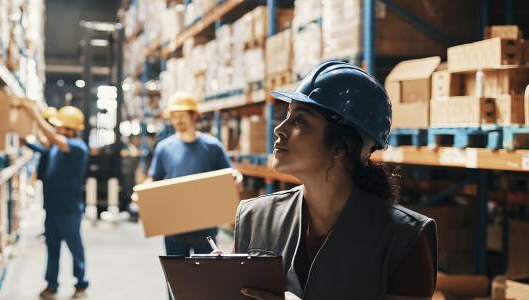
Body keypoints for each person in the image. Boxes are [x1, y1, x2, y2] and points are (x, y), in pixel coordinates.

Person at [225, 61, 437, 300]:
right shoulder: (255, 218)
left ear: (342, 145)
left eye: (299, 120)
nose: (279, 129)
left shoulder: (403, 239)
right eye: (287, 116)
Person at [144, 91, 241, 257]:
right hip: (174, 225)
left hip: (205, 226)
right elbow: (153, 179)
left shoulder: (212, 146)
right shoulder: (164, 148)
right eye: (174, 116)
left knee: (205, 277)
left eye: (183, 115)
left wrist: (236, 178)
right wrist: (142, 192)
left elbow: (229, 176)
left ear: (194, 116)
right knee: (176, 278)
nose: (178, 120)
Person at [23, 105, 90, 299]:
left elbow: (52, 139)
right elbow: (44, 146)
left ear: (71, 129)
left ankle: (81, 285)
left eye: (60, 126)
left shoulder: (77, 147)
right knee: (52, 249)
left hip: (68, 210)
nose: (56, 129)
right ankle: (51, 285)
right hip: (52, 209)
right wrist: (23, 141)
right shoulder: (56, 147)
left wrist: (35, 116)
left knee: (75, 249)